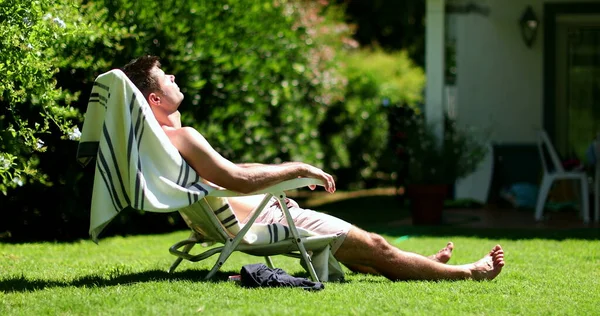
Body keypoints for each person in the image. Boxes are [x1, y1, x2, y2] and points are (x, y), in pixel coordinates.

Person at [121, 55, 505, 281]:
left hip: (260, 214)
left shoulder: (164, 142)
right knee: (374, 245)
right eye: (164, 77)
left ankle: (418, 265)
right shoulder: (183, 136)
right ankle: (470, 272)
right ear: (155, 97)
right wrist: (296, 168)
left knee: (364, 247)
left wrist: (279, 175)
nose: (173, 77)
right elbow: (236, 179)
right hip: (264, 221)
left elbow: (230, 170)